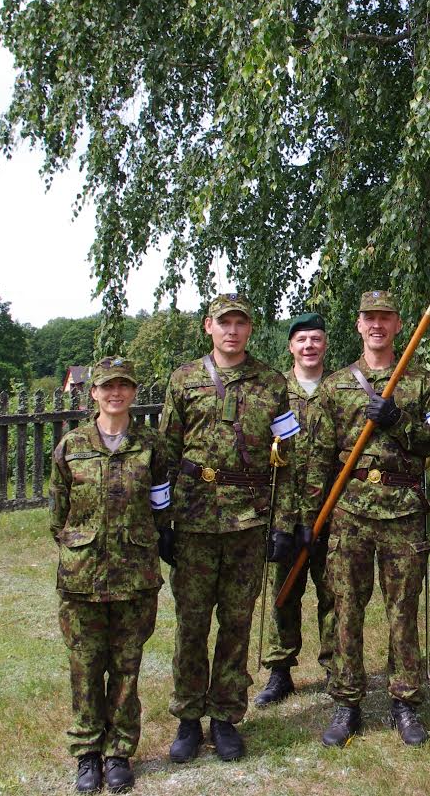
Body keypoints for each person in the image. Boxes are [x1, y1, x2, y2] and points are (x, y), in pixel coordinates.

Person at [304, 289, 430, 747]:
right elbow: (317, 459)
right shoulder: (335, 386)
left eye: (385, 317)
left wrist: (399, 422)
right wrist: (311, 522)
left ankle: (404, 702)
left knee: (402, 611)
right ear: (358, 324)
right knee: (346, 608)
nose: (377, 325)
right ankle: (347, 702)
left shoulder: (422, 382)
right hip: (349, 514)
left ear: (398, 323)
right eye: (370, 318)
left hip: (403, 512)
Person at [159, 293, 299, 764]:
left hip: (249, 521)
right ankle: (187, 719)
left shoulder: (272, 383)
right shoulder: (183, 381)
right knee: (192, 625)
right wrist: (165, 522)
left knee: (236, 624)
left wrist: (282, 524)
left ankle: (224, 718)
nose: (232, 331)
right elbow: (166, 455)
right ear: (208, 327)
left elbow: (288, 459)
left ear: (250, 330)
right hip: (196, 521)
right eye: (224, 323)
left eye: (240, 323)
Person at [49, 357, 170, 793]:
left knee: (126, 666)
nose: (115, 393)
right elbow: (57, 514)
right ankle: (86, 753)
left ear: (134, 392)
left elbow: (162, 505)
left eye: (124, 386)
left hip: (135, 575)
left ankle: (119, 752)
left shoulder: (151, 446)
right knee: (84, 666)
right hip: (82, 578)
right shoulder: (71, 446)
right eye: (107, 386)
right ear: (93, 393)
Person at [255, 313, 336, 706]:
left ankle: (337, 666)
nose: (309, 346)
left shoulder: (339, 389)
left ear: (325, 345)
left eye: (316, 339)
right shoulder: (272, 390)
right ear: (290, 346)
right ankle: (280, 669)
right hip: (283, 513)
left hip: (332, 512)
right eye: (302, 339)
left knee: (335, 593)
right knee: (283, 593)